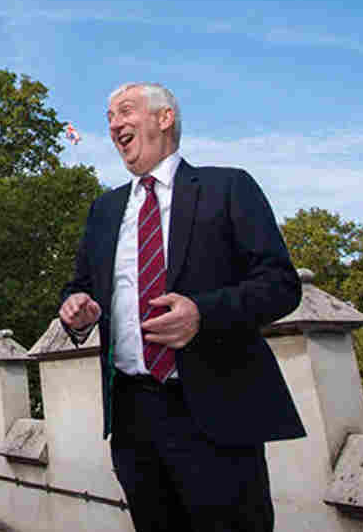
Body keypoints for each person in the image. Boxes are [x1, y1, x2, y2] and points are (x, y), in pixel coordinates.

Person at [58, 82, 304, 532]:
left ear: (164, 118)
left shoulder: (227, 187)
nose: (114, 124)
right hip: (133, 418)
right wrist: (76, 308)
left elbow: (281, 285)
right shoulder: (105, 210)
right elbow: (79, 289)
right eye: (109, 116)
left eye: (125, 111)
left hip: (214, 412)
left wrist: (203, 314)